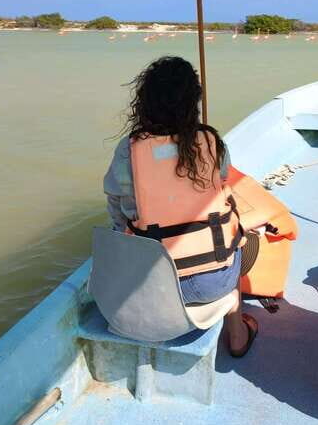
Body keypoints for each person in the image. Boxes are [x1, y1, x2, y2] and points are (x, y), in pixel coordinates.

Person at [103, 56, 257, 357]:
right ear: (193, 102)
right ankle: (237, 334)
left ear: (144, 102)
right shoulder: (212, 142)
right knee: (237, 239)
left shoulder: (128, 150)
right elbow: (222, 182)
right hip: (215, 282)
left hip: (151, 285)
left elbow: (116, 210)